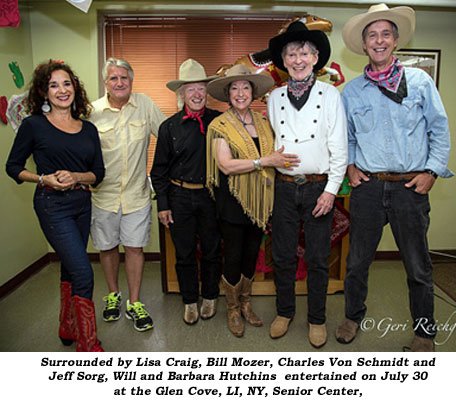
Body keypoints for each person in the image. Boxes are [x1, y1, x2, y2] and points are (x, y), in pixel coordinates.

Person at [337, 4, 453, 352]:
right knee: (357, 262)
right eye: (372, 35)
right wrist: (351, 167)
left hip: (409, 187)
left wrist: (432, 171)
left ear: (396, 40)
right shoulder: (353, 91)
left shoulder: (419, 82)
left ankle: (424, 333)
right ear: (364, 43)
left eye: (386, 33)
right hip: (368, 188)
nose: (379, 40)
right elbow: (349, 137)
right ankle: (352, 317)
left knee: (418, 266)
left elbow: (439, 129)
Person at [6, 60, 105, 352]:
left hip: (82, 202)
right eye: (53, 85)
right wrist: (42, 179)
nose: (62, 90)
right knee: (84, 272)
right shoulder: (33, 125)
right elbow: (13, 167)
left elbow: (98, 175)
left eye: (66, 83)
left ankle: (68, 325)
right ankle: (88, 345)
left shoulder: (88, 129)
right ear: (43, 92)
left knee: (69, 269)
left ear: (75, 88)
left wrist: (76, 176)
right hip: (52, 205)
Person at [267, 21, 348, 348]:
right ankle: (284, 312)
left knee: (317, 257)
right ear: (283, 61)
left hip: (317, 187)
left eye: (304, 53)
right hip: (285, 186)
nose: (297, 59)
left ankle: (317, 319)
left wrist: (331, 191)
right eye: (291, 54)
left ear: (315, 57)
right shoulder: (274, 97)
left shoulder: (330, 95)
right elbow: (275, 140)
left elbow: (340, 147)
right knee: (283, 255)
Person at [206, 64, 300, 337]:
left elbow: (279, 154)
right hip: (233, 201)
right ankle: (233, 309)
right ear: (227, 94)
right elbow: (225, 166)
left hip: (259, 201)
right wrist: (264, 161)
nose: (240, 92)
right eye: (234, 88)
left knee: (250, 255)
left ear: (253, 92)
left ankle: (246, 304)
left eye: (245, 87)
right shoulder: (219, 125)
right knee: (233, 256)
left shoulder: (263, 123)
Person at [89, 58, 166, 332]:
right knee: (107, 247)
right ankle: (113, 295)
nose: (119, 83)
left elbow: (168, 137)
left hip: (137, 194)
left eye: (124, 78)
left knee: (134, 248)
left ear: (131, 81)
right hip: (103, 196)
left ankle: (134, 302)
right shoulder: (92, 111)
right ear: (105, 82)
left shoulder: (145, 105)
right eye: (113, 78)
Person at [150, 59, 222, 325]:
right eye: (190, 89)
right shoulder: (168, 127)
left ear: (206, 91)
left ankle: (211, 296)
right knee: (184, 252)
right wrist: (163, 205)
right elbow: (158, 171)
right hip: (179, 196)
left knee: (213, 250)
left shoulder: (219, 122)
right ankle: (190, 300)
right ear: (181, 94)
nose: (196, 94)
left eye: (200, 88)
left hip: (210, 197)